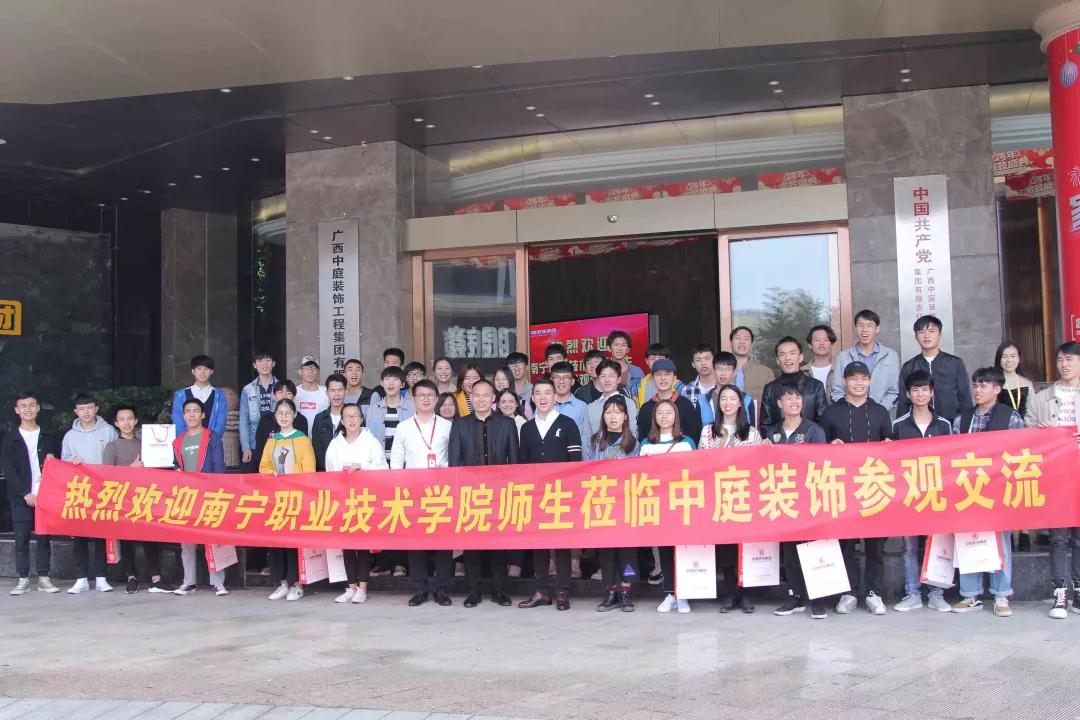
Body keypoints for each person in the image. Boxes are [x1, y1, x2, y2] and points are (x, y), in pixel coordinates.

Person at [819, 361, 894, 616]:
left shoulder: (880, 411)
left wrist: (888, 445)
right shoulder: (832, 413)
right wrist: (831, 446)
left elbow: (891, 446)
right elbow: (819, 450)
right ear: (844, 381)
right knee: (846, 544)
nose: (858, 383)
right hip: (843, 490)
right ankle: (847, 592)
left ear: (870, 381)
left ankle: (874, 593)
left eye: (863, 378)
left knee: (875, 545)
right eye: (853, 378)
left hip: (874, 488)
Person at [950, 367, 1023, 617]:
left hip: (999, 489)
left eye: (983, 385)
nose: (977, 390)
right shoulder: (963, 418)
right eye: (975, 385)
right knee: (968, 538)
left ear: (997, 389)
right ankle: (970, 594)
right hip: (969, 488)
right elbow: (952, 452)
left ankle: (1001, 594)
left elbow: (1020, 451)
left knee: (1000, 541)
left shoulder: (1010, 417)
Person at [448, 379, 518, 608]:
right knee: (472, 546)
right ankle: (473, 591)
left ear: (493, 398)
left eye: (486, 395)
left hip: (499, 493)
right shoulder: (460, 425)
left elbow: (514, 462)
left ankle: (500, 590)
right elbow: (454, 464)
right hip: (470, 494)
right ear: (471, 398)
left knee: (499, 545)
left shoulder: (507, 424)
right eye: (476, 395)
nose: (481, 399)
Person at [891, 371, 954, 613]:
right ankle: (913, 593)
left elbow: (952, 460)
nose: (920, 394)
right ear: (908, 394)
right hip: (908, 495)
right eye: (915, 390)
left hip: (937, 494)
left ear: (932, 392)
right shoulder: (898, 425)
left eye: (924, 389)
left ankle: (936, 593)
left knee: (937, 543)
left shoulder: (944, 424)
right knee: (909, 547)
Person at [765, 383, 828, 619]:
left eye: (798, 398)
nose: (794, 402)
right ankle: (795, 596)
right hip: (784, 499)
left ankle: (818, 599)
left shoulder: (814, 430)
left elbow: (822, 463)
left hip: (810, 498)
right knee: (790, 550)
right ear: (779, 403)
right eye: (788, 398)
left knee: (813, 547)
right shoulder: (772, 433)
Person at [518, 378, 583, 611]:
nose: (543, 397)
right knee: (539, 543)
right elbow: (523, 465)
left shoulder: (567, 424)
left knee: (561, 543)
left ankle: (562, 591)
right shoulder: (527, 428)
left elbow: (575, 461)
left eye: (548, 392)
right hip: (536, 495)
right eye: (538, 393)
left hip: (561, 495)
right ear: (532, 398)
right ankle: (542, 591)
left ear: (555, 397)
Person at [1026, 342, 1080, 619]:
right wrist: (1038, 431)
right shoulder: (1041, 398)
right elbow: (1026, 430)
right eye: (1060, 360)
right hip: (1055, 474)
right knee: (1058, 537)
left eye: (1069, 359)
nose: (1064, 365)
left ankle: (1079, 590)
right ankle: (1060, 592)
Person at [699, 384, 762, 614]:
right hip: (718, 496)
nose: (727, 403)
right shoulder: (708, 431)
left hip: (744, 496)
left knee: (744, 547)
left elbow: (758, 464)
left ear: (740, 404)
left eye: (732, 398)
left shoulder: (751, 432)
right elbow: (699, 462)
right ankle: (729, 594)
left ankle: (746, 594)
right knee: (725, 548)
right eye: (723, 398)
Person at [390, 379, 454, 607]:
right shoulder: (403, 427)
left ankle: (441, 588)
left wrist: (446, 470)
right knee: (415, 541)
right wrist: (398, 486)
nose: (426, 399)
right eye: (421, 395)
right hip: (413, 491)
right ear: (413, 399)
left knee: (443, 542)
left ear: (436, 399)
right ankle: (419, 589)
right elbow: (396, 459)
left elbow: (455, 457)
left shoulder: (447, 426)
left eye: (430, 396)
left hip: (441, 491)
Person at [103, 405, 172, 594]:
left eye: (129, 418)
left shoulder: (146, 443)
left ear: (135, 421)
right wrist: (130, 469)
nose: (126, 423)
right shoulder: (112, 446)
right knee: (127, 540)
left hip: (146, 497)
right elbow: (107, 474)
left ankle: (156, 578)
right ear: (116, 423)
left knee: (150, 538)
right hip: (124, 499)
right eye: (122, 419)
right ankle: (131, 577)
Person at [324, 403, 386, 605]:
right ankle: (350, 587)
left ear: (361, 419)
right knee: (347, 545)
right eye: (347, 417)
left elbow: (383, 468)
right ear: (342, 421)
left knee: (363, 545)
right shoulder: (335, 444)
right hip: (343, 500)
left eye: (355, 416)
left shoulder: (371, 442)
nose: (351, 420)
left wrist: (362, 467)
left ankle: (363, 588)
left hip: (365, 500)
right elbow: (329, 472)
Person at [1, 390, 61, 595]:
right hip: (21, 496)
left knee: (44, 538)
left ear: (38, 408)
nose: (28, 409)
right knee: (21, 538)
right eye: (23, 406)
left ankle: (44, 577)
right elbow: (9, 470)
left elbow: (58, 464)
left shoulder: (48, 435)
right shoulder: (10, 438)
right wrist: (25, 492)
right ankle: (23, 578)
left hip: (45, 494)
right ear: (17, 410)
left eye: (32, 405)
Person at [584, 395, 639, 612]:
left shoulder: (633, 443)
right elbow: (585, 469)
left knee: (627, 551)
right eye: (608, 412)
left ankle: (626, 592)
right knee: (606, 550)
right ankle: (609, 592)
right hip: (602, 504)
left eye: (617, 412)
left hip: (626, 504)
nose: (613, 416)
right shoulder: (594, 442)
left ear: (625, 416)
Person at [641, 399, 696, 614]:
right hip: (658, 505)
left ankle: (684, 594)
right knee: (664, 550)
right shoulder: (646, 444)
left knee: (682, 549)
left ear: (676, 417)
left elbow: (697, 471)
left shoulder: (687, 443)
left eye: (669, 412)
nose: (664, 416)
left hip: (682, 504)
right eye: (660, 413)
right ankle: (670, 593)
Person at [172, 397, 230, 597]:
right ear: (183, 415)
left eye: (195, 411)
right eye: (188, 411)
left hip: (209, 495)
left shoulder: (211, 437)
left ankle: (218, 582)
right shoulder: (178, 441)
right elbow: (176, 465)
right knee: (186, 543)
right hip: (186, 497)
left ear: (203, 415)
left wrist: (218, 492)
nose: (191, 415)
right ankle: (188, 582)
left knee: (213, 540)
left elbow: (219, 467)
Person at [260, 398, 316, 601]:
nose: (283, 417)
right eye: (280, 413)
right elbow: (264, 466)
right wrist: (271, 475)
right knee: (277, 543)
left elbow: (309, 471)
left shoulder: (302, 440)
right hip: (276, 499)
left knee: (294, 543)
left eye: (287, 413)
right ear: (275, 417)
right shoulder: (272, 441)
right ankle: (282, 583)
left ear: (294, 415)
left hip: (296, 499)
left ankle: (297, 584)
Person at [61, 392, 118, 594]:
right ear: (76, 411)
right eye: (81, 409)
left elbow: (115, 458)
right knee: (80, 536)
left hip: (102, 490)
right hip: (80, 491)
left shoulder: (109, 431)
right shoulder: (70, 436)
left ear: (96, 409)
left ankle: (102, 577)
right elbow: (64, 462)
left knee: (101, 535)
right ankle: (81, 578)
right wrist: (71, 461)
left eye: (89, 408)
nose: (86, 412)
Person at [896, 315, 972, 423]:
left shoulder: (954, 363)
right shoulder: (909, 367)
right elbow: (903, 401)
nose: (926, 336)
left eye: (931, 331)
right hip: (919, 425)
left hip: (952, 423)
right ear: (916, 336)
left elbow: (965, 397)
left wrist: (965, 423)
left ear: (940, 335)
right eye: (921, 332)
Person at [830, 310, 899, 411]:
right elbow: (837, 391)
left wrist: (878, 410)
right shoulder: (843, 357)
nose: (864, 330)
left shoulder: (890, 355)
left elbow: (894, 391)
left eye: (869, 325)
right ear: (855, 328)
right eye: (860, 325)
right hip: (850, 415)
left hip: (880, 414)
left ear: (877, 329)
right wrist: (852, 410)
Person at [759, 337, 828, 429]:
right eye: (782, 354)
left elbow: (823, 422)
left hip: (810, 437)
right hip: (779, 437)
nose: (787, 358)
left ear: (800, 357)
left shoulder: (816, 386)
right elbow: (765, 424)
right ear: (778, 360)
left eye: (792, 353)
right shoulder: (770, 388)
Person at [636, 359, 701, 444]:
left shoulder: (686, 405)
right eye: (658, 374)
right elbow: (642, 439)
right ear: (653, 378)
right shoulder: (646, 408)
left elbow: (693, 437)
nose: (663, 378)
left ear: (674, 378)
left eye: (667, 374)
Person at [365, 366, 414, 466]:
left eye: (395, 379)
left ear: (402, 384)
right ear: (382, 383)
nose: (391, 383)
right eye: (387, 379)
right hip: (379, 464)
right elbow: (368, 439)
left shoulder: (412, 408)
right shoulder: (372, 410)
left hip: (406, 464)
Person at [583, 359, 640, 442]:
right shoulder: (591, 407)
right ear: (598, 380)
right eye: (603, 376)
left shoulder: (628, 403)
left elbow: (633, 433)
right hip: (596, 450)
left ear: (619, 379)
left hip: (623, 449)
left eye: (611, 376)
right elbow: (586, 437)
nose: (607, 380)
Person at [170, 354, 227, 436]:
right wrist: (188, 440)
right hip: (187, 442)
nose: (202, 372)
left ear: (211, 371)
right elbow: (178, 424)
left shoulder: (219, 396)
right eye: (199, 368)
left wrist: (210, 440)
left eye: (206, 368)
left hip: (211, 441)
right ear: (193, 371)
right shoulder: (180, 396)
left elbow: (220, 424)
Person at [254, 380, 309, 464]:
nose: (284, 396)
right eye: (280, 392)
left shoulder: (301, 420)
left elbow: (304, 450)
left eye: (288, 393)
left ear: (294, 397)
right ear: (274, 396)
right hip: (270, 467)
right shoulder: (266, 420)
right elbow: (260, 450)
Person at [239, 351, 277, 468]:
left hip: (277, 441)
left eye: (268, 360)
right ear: (254, 365)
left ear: (273, 363)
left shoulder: (281, 388)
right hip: (254, 443)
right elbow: (243, 420)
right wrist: (246, 447)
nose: (264, 364)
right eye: (260, 361)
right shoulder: (248, 389)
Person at [701, 352, 758, 428]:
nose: (723, 373)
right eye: (719, 369)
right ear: (713, 370)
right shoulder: (702, 400)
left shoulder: (746, 399)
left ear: (734, 372)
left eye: (728, 369)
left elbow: (751, 429)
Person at [311, 373, 347, 471]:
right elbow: (316, 450)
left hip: (348, 471)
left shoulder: (353, 415)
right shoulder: (319, 419)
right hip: (325, 473)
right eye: (332, 390)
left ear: (346, 391)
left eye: (340, 390)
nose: (336, 394)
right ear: (327, 393)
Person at [729, 326, 775, 402]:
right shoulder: (721, 372)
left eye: (746, 339)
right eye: (737, 338)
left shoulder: (766, 373)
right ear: (731, 343)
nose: (742, 342)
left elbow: (772, 402)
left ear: (751, 344)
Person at [634, 343, 685, 407]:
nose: (656, 362)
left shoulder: (679, 386)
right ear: (646, 361)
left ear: (667, 360)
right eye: (653, 359)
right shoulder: (637, 385)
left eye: (660, 358)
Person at [995, 341, 1035, 417]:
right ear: (999, 359)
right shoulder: (993, 383)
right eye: (1004, 356)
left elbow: (1032, 412)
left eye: (1013, 356)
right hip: (999, 423)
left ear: (1019, 358)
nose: (1008, 360)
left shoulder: (1027, 383)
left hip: (1023, 424)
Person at [550, 360, 587, 438]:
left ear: (572, 381)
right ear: (551, 380)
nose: (561, 381)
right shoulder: (544, 404)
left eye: (566, 377)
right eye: (557, 377)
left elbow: (585, 437)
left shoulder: (582, 407)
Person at [294, 355, 329, 432]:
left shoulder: (326, 392)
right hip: (298, 437)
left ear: (318, 372)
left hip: (320, 436)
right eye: (307, 368)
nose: (310, 372)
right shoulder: (294, 392)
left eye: (314, 368)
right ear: (300, 371)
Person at [607, 330, 645, 397]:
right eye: (616, 345)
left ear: (628, 350)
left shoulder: (637, 372)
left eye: (623, 345)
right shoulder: (604, 371)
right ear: (609, 348)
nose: (620, 349)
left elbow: (643, 395)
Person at [680, 343, 717, 412]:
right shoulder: (687, 390)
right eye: (698, 360)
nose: (703, 363)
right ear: (693, 364)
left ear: (715, 361)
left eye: (707, 358)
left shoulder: (723, 387)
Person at [803, 325, 836, 396]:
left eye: (826, 340)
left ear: (831, 344)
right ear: (810, 345)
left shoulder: (840, 369)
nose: (821, 343)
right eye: (817, 340)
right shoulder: (802, 372)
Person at [506, 351, 534, 418]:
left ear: (526, 367)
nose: (516, 368)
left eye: (519, 363)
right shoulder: (505, 391)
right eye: (512, 364)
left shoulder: (534, 390)